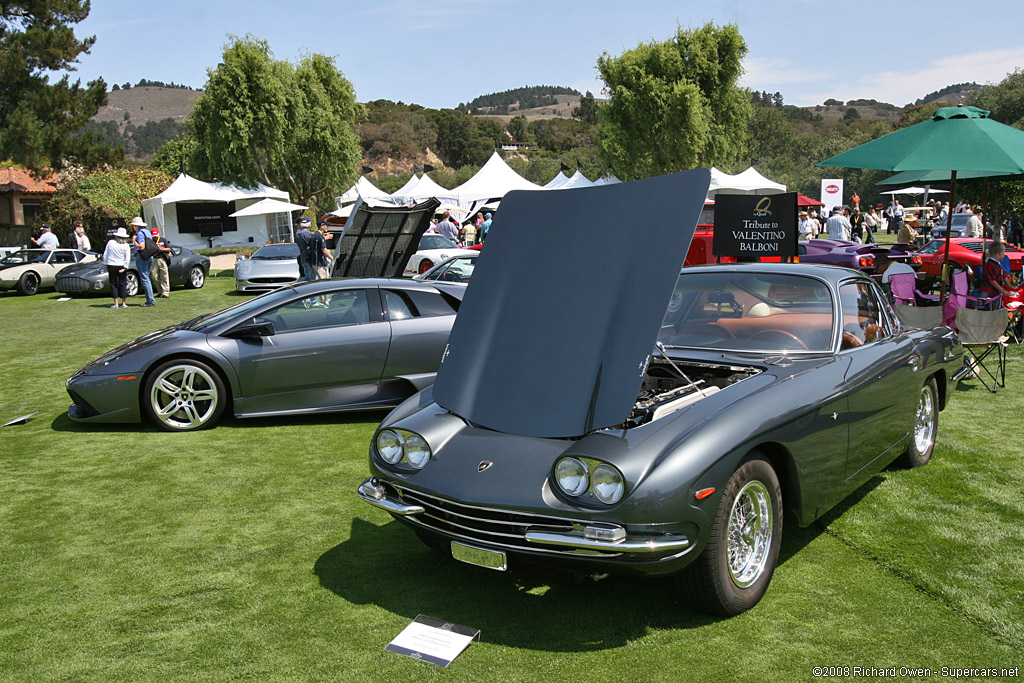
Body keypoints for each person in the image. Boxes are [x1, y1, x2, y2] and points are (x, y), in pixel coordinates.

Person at [102, 227, 132, 308]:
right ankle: (123, 303)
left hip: (111, 264)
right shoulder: (126, 245)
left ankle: (116, 303)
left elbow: (105, 254)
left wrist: (105, 264)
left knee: (113, 283)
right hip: (121, 264)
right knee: (123, 283)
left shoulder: (110, 242)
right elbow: (127, 257)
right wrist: (125, 267)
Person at [131, 216, 156, 306]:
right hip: (149, 256)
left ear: (135, 226)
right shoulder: (147, 232)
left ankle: (150, 300)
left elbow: (141, 246)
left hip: (142, 257)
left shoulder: (140, 234)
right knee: (147, 277)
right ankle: (150, 299)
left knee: (145, 278)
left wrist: (134, 241)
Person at [150, 227, 172, 298]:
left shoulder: (163, 240)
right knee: (154, 276)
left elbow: (169, 249)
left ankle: (165, 292)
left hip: (162, 258)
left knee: (164, 275)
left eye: (156, 236)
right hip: (154, 259)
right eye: (154, 236)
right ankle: (160, 291)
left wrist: (162, 249)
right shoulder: (151, 241)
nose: (155, 238)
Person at [295, 216, 315, 281]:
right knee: (312, 278)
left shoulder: (298, 234)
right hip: (309, 257)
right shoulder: (307, 234)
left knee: (306, 276)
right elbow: (313, 243)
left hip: (303, 257)